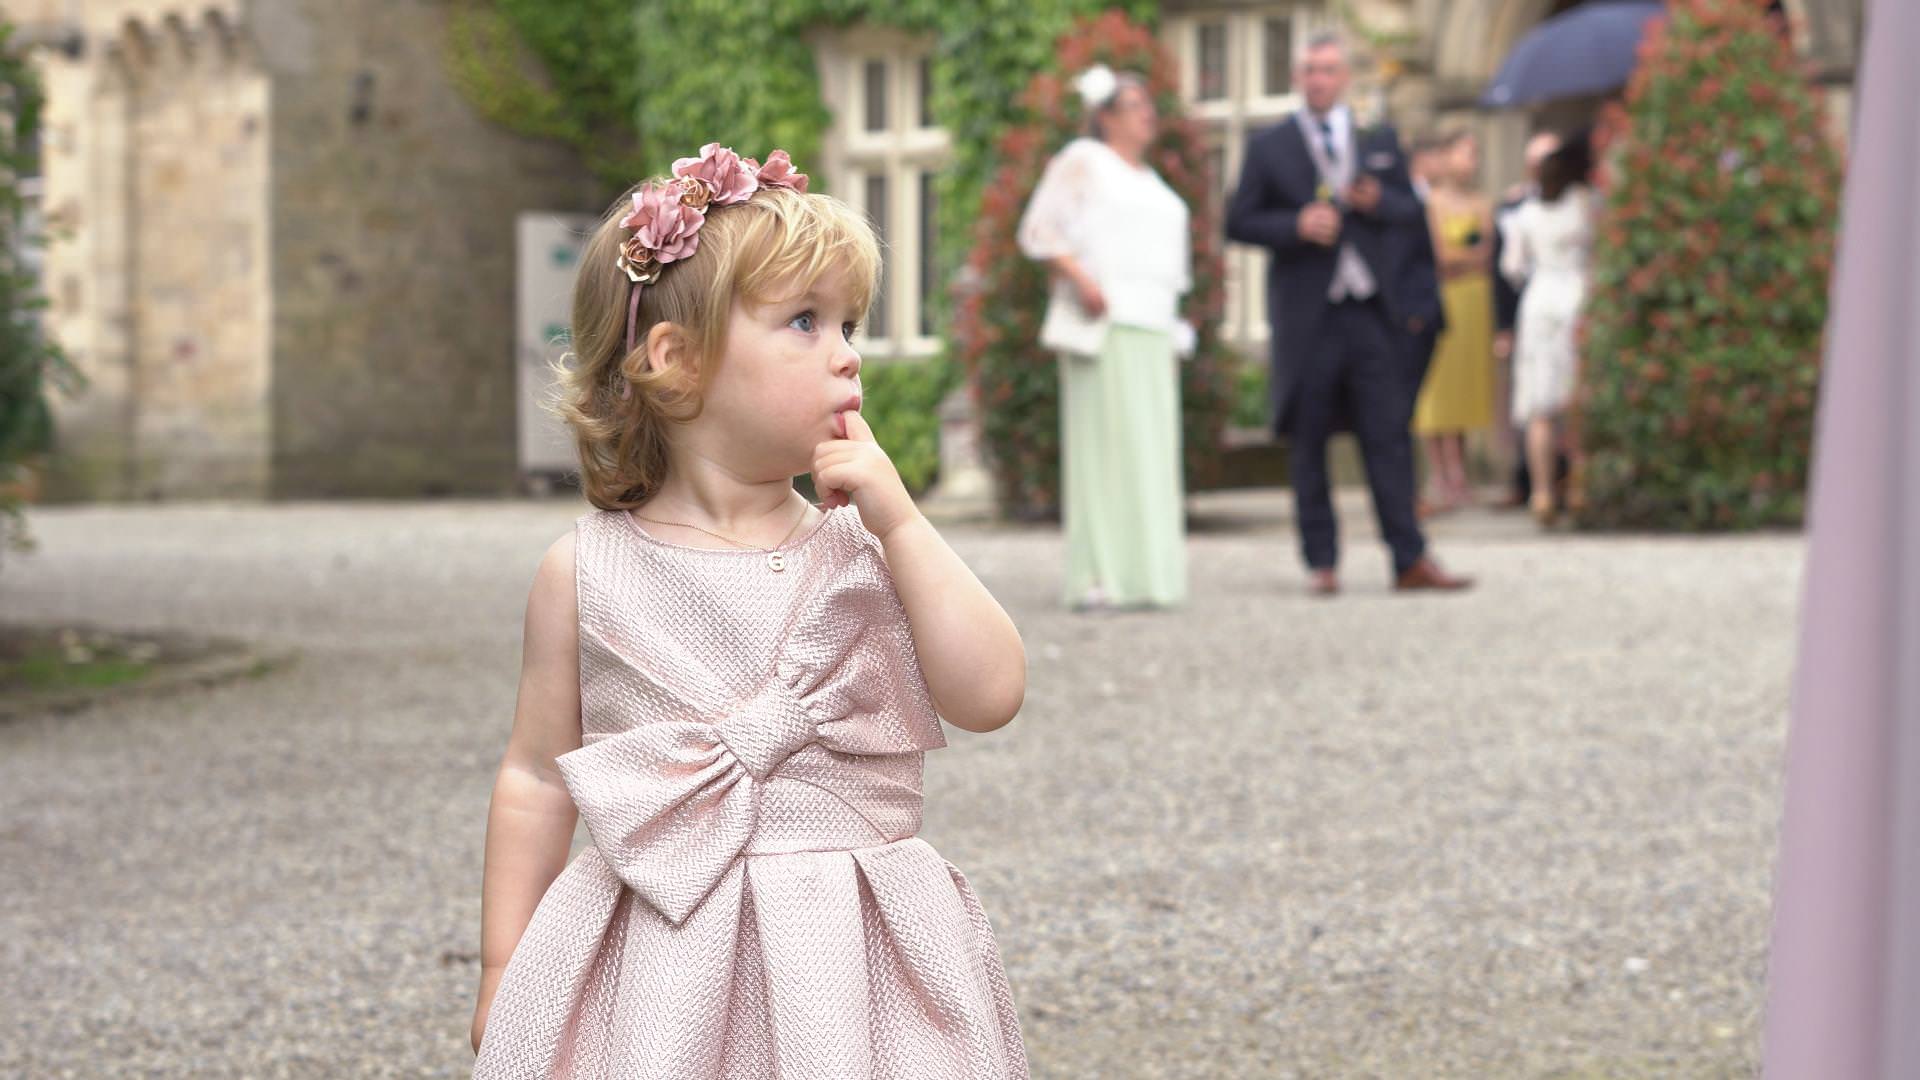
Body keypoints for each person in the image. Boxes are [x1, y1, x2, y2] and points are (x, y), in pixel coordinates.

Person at [469, 144, 1031, 1078]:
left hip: (854, 955)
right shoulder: (585, 572)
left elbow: (992, 692)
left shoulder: (868, 548)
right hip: (660, 950)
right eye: (804, 322)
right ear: (677, 362)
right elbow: (534, 777)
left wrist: (903, 520)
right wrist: (503, 968)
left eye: (850, 322)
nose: (848, 354)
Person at [1225, 32, 1471, 595]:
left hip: (1369, 313)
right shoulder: (1271, 147)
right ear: (1298, 77)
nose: (1319, 79)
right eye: (1310, 69)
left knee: (1388, 434)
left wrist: (1376, 203)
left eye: (1329, 70)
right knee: (1308, 439)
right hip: (1308, 317)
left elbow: (1412, 211)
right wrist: (1295, 226)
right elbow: (1238, 221)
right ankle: (1322, 562)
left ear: (1344, 79)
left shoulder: (1376, 138)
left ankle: (1408, 557)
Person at [1017, 64, 1191, 610]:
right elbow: (1039, 230)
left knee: (1151, 453)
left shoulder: (1154, 183)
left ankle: (1147, 575)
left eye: (1149, 105)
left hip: (1153, 326)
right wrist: (1082, 278)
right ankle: (1098, 574)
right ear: (1106, 115)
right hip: (1105, 324)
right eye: (1135, 104)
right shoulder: (1083, 160)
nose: (1147, 115)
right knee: (1104, 453)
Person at [1501, 133, 1597, 526]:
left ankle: (1541, 492)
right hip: (1576, 296)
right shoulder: (1585, 206)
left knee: (1540, 406)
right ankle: (1578, 486)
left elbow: (1512, 268)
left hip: (1540, 300)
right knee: (1576, 401)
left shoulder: (1524, 214)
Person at [1411, 131, 1497, 514]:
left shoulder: (1482, 203)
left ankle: (1460, 474)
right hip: (1444, 302)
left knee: (1466, 390)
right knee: (1440, 390)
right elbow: (1443, 257)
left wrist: (1465, 258)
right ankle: (1440, 475)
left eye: (1475, 154)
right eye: (1465, 153)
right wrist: (1467, 257)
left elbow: (1486, 254)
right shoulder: (1431, 204)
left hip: (1475, 302)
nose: (1471, 162)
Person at [1491, 130, 1565, 508]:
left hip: (1555, 303)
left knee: (1568, 399)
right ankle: (1532, 484)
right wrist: (1502, 326)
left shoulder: (1578, 203)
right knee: (1536, 399)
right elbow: (1504, 274)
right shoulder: (1515, 208)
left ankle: (1569, 484)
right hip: (1534, 309)